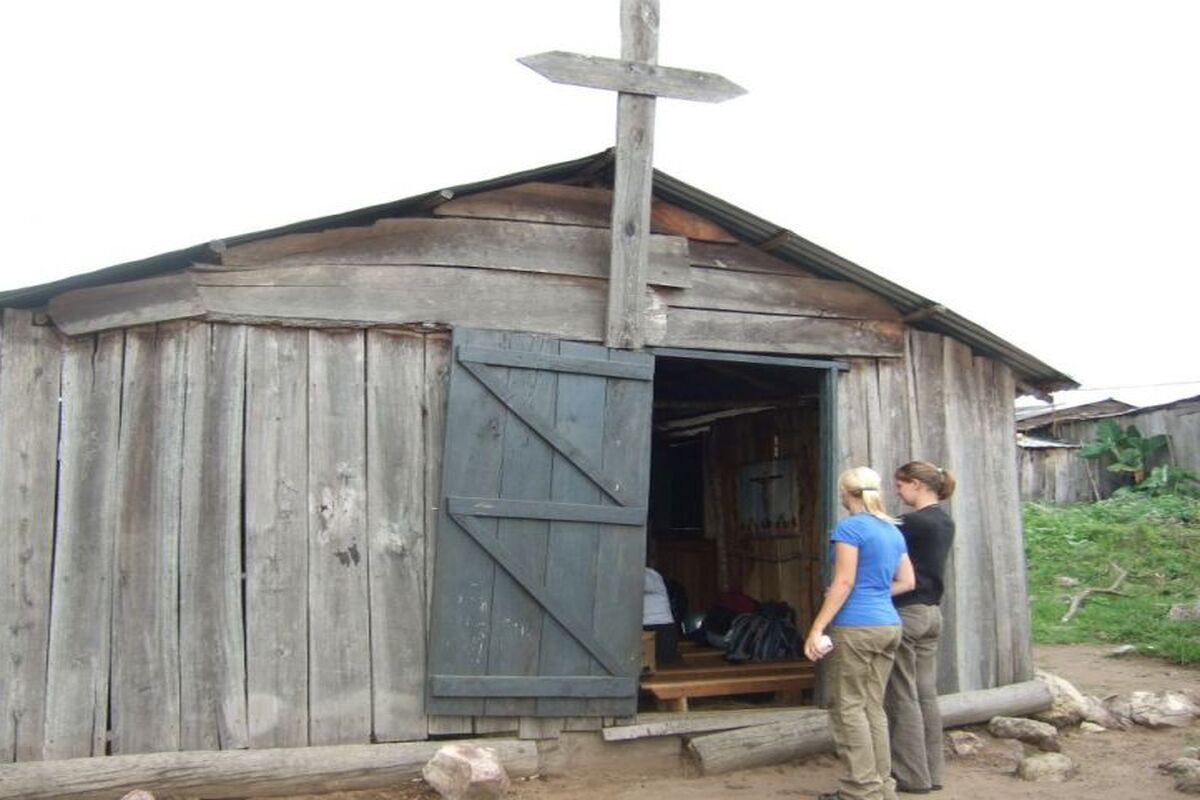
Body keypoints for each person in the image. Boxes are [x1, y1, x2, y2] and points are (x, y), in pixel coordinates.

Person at [805, 467, 916, 800]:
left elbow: (844, 582)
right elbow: (908, 582)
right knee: (872, 707)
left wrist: (817, 627)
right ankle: (882, 785)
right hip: (888, 624)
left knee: (848, 708)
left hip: (856, 626)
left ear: (845, 493)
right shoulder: (892, 529)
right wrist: (877, 592)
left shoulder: (850, 528)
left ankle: (860, 789)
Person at [884, 462, 957, 794]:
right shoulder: (944, 520)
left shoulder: (910, 523)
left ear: (915, 484)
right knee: (926, 695)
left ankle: (911, 776)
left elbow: (877, 539)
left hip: (907, 612)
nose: (898, 492)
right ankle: (933, 772)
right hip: (931, 614)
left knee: (901, 696)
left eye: (900, 486)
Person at [643, 566, 680, 665]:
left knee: (663, 664)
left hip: (659, 626)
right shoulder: (652, 574)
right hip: (659, 625)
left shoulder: (649, 575)